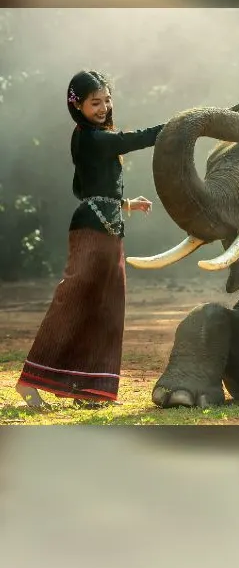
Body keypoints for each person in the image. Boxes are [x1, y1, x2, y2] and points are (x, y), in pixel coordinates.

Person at [15, 69, 165, 409]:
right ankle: (29, 381)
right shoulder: (91, 138)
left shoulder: (94, 138)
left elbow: (87, 187)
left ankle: (90, 389)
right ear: (77, 105)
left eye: (107, 100)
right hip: (91, 231)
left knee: (108, 309)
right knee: (73, 302)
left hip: (108, 228)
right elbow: (135, 139)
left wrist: (126, 203)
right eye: (95, 102)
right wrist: (178, 127)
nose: (104, 107)